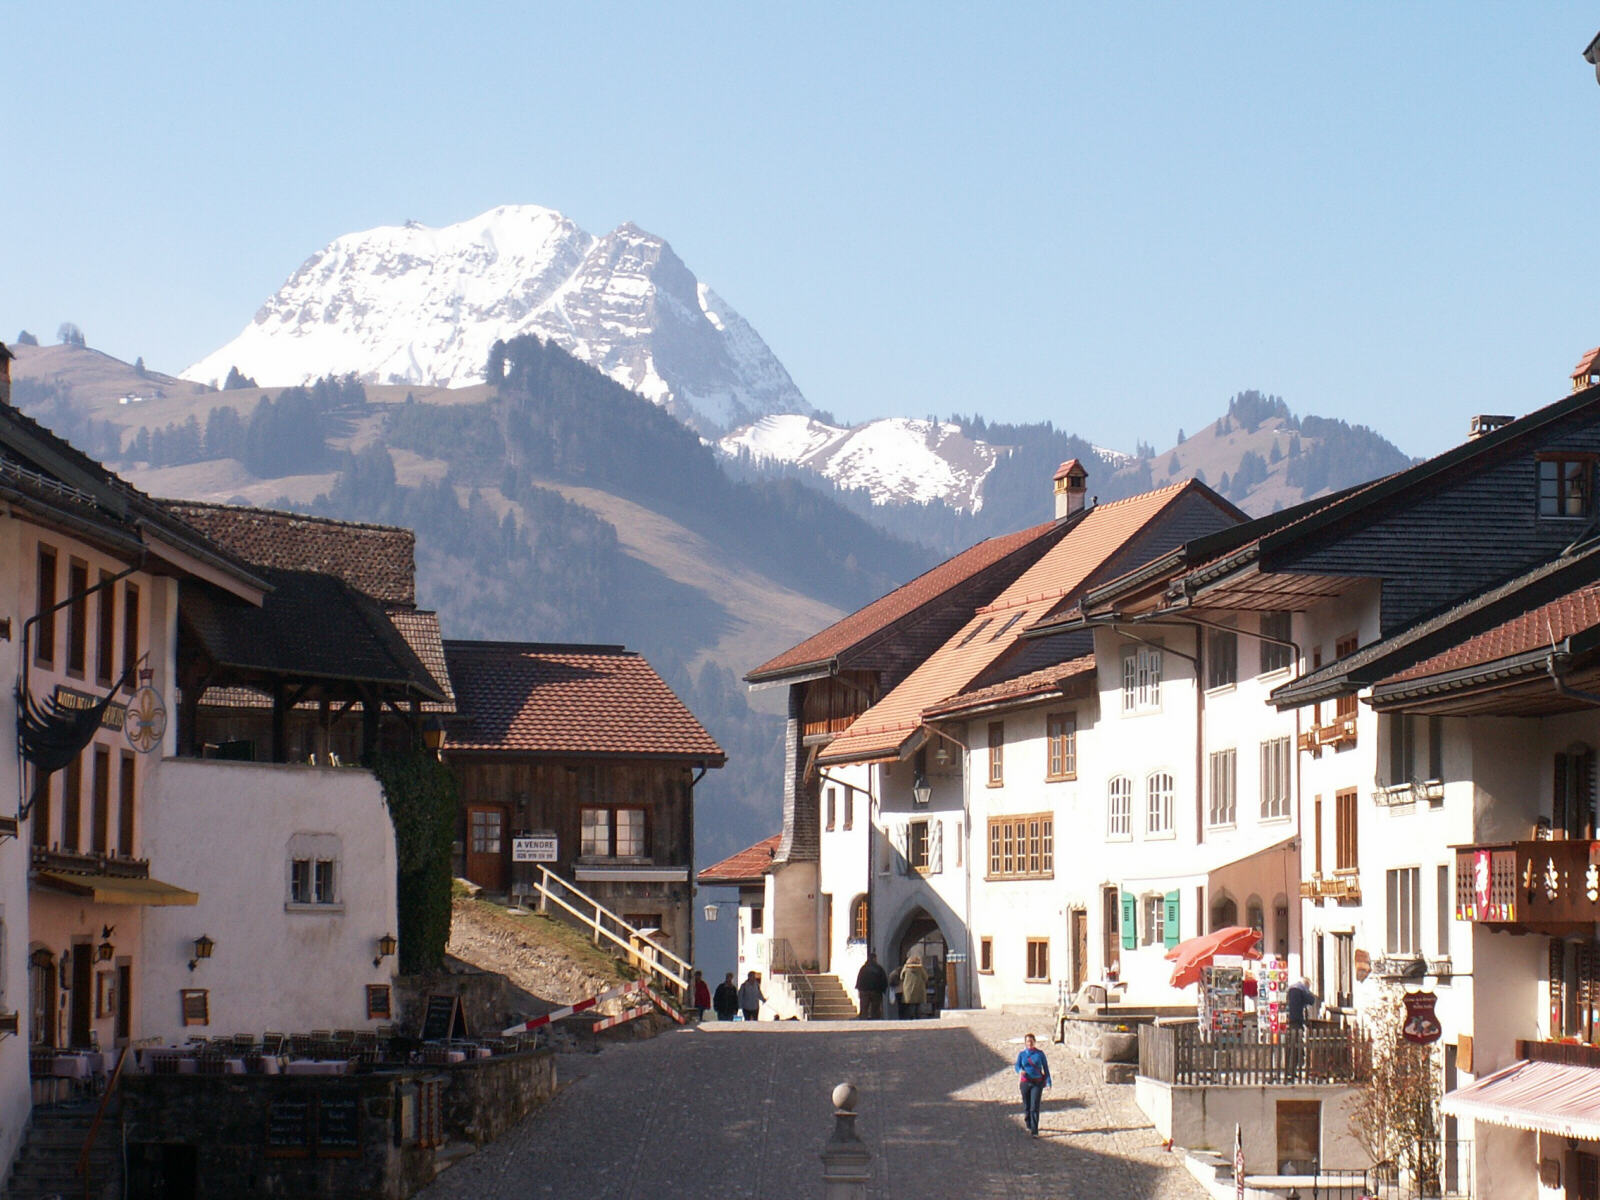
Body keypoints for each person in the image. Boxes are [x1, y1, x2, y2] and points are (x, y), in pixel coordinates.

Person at [1014, 1032, 1052, 1136]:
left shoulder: (1040, 1054)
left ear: (1034, 1042)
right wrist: (1020, 1071)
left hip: (1037, 1083)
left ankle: (1035, 1130)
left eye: (1031, 1041)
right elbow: (1017, 1066)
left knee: (1034, 1106)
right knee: (1027, 1106)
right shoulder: (1022, 1054)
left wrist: (1048, 1081)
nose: (1029, 1043)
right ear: (1025, 1043)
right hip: (1025, 1083)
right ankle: (1028, 1122)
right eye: (1027, 1041)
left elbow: (1046, 1068)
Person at [855, 950, 888, 1020]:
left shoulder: (863, 968)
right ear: (874, 959)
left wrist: (859, 989)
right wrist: (883, 989)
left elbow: (859, 979)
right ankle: (875, 1021)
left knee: (864, 1008)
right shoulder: (879, 968)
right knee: (875, 1009)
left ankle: (863, 1020)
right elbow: (883, 980)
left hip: (864, 991)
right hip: (876, 991)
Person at [899, 955, 928, 1019]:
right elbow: (926, 978)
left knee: (910, 1006)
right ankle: (917, 1018)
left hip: (908, 991)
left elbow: (901, 977)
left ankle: (911, 1018)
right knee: (918, 1006)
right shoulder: (920, 968)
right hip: (919, 990)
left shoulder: (906, 968)